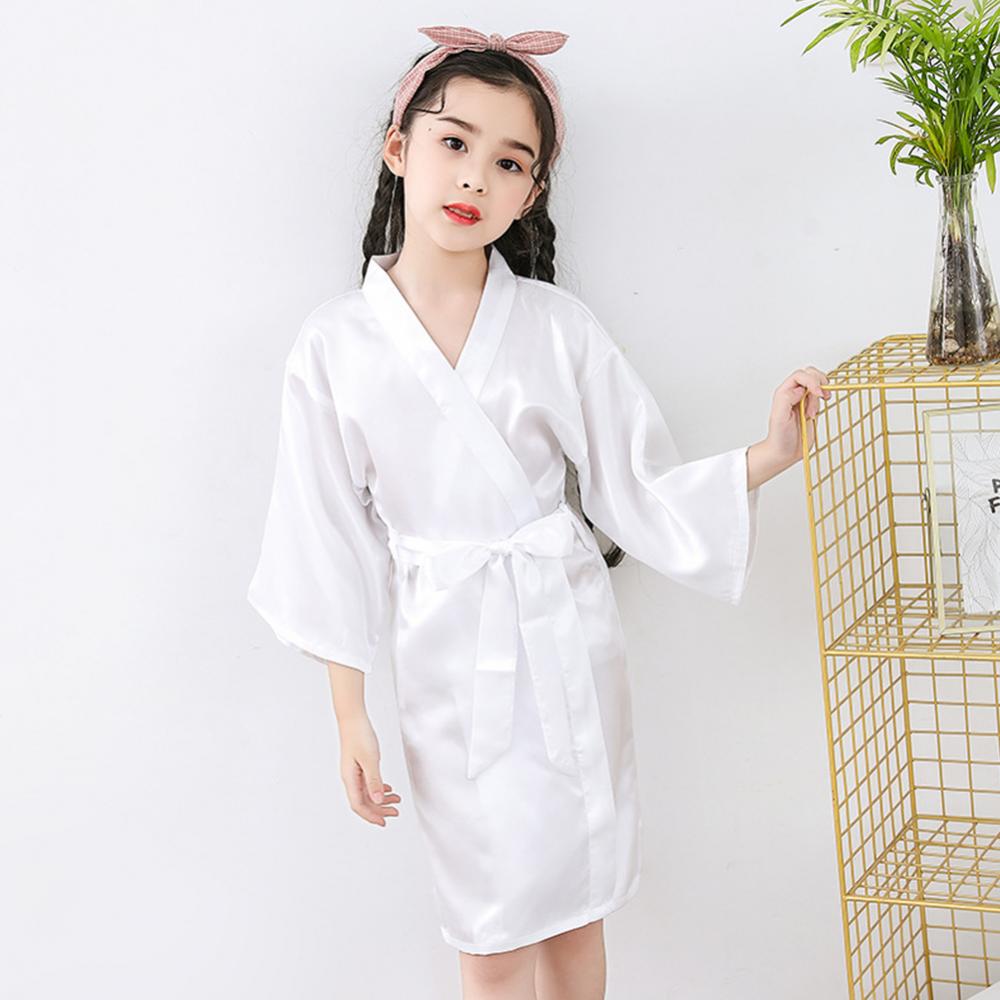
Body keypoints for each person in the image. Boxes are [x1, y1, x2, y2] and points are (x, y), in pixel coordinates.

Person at [246, 24, 831, 1000]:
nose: (474, 175)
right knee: (489, 932)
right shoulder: (334, 346)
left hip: (565, 642)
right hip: (446, 656)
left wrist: (768, 454)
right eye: (453, 141)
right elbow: (326, 534)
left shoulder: (558, 328)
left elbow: (633, 482)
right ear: (399, 148)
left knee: (575, 908)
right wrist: (350, 713)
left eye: (509, 161)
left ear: (531, 193)